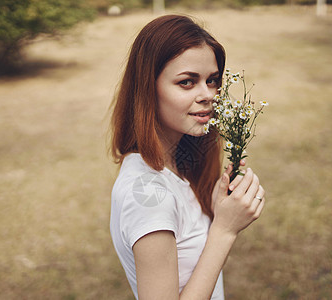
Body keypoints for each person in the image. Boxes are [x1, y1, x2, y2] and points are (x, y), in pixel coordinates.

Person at [108, 14, 265, 299]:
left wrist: (218, 211)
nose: (209, 95)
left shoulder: (175, 168)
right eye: (187, 82)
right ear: (147, 89)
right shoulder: (147, 195)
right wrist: (224, 231)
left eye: (213, 80)